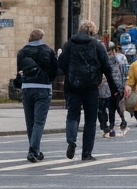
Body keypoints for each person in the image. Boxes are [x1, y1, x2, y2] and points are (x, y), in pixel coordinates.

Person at [59, 19, 119, 161]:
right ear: (92, 32)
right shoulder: (97, 45)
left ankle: (71, 141)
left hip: (73, 85)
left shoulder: (70, 44)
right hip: (91, 86)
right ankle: (86, 153)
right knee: (90, 120)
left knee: (72, 115)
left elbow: (61, 63)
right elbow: (106, 67)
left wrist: (70, 74)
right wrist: (113, 87)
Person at [16, 28, 58, 162]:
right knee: (39, 122)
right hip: (43, 88)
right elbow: (54, 71)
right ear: (42, 37)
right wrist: (48, 79)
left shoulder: (22, 52)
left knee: (30, 122)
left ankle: (36, 150)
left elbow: (19, 71)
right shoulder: (48, 51)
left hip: (27, 87)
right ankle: (33, 151)